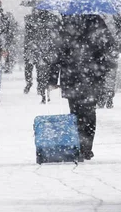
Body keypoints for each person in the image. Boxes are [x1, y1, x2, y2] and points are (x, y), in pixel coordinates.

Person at [49, 14, 114, 160]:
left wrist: (53, 78)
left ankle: (79, 146)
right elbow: (109, 46)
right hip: (92, 76)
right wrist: (101, 66)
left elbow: (57, 53)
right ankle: (86, 147)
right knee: (89, 113)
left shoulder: (65, 23)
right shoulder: (97, 21)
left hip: (72, 76)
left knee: (76, 112)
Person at [97, 14, 121, 109]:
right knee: (109, 74)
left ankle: (104, 96)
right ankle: (106, 96)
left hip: (103, 48)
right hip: (107, 48)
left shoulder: (97, 13)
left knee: (104, 73)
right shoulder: (114, 14)